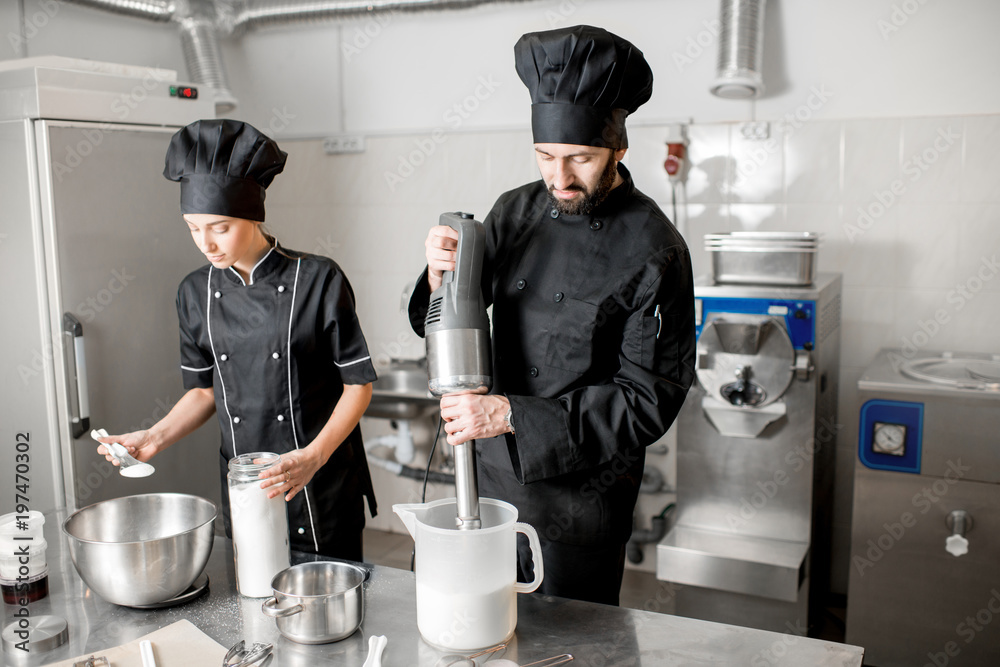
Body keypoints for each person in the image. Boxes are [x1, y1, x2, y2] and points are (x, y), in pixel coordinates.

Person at [408, 25, 696, 605]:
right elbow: (449, 314)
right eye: (545, 157)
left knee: (573, 647)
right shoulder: (516, 210)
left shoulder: (655, 249)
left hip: (580, 501)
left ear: (618, 148)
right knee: (478, 624)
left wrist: (511, 414)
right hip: (486, 478)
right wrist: (441, 274)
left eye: (580, 159)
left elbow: (648, 401)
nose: (559, 179)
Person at [94, 119, 377, 561]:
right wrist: (155, 437)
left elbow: (358, 386)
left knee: (333, 613)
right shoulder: (194, 293)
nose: (205, 243)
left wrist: (312, 458)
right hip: (248, 489)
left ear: (252, 214)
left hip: (321, 485)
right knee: (258, 601)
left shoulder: (318, 279)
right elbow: (205, 391)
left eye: (220, 227)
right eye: (193, 227)